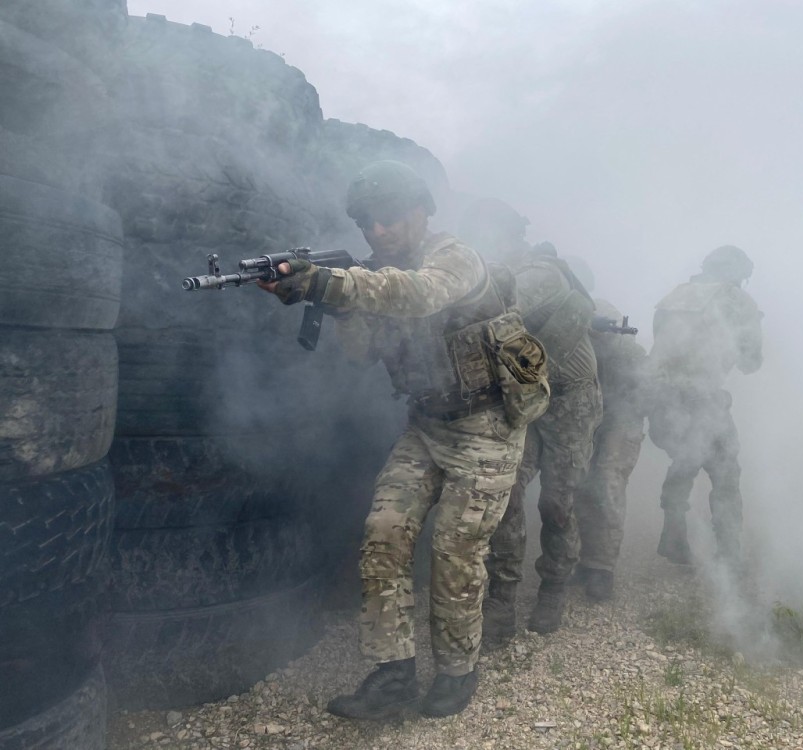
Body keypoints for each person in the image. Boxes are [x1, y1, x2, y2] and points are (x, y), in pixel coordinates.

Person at [258, 161, 544, 720]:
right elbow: (363, 353)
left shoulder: (454, 256)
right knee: (383, 534)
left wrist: (329, 282)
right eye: (367, 222)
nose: (378, 231)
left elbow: (420, 294)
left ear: (421, 212)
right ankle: (392, 674)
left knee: (455, 551)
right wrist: (342, 307)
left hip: (487, 426)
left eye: (389, 218)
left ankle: (459, 670)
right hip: (427, 426)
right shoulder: (374, 274)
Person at [459, 198, 602, 639]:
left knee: (557, 503)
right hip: (523, 399)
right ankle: (502, 599)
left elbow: (493, 309)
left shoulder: (540, 271)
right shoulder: (495, 271)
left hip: (569, 402)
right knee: (508, 496)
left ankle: (554, 585)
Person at [647, 245, 763, 567]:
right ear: (737, 274)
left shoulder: (675, 296)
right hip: (703, 397)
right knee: (726, 473)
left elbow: (660, 345)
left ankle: (674, 535)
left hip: (664, 397)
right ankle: (729, 555)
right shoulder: (736, 300)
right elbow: (752, 362)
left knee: (685, 461)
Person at [574, 297, 647, 600]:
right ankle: (585, 560)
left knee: (607, 482)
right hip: (590, 415)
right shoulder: (577, 343)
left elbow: (647, 392)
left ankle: (602, 568)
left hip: (623, 418)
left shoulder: (631, 353)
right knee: (580, 484)